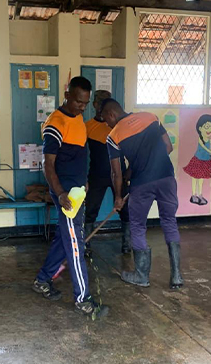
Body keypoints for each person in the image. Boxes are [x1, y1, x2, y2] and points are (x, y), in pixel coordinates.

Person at [31, 76, 109, 318]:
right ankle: (83, 299)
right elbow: (48, 164)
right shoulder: (55, 123)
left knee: (65, 239)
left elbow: (78, 156)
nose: (82, 107)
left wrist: (83, 180)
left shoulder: (78, 120)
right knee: (76, 244)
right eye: (78, 102)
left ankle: (42, 280)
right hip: (65, 194)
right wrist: (60, 193)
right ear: (67, 95)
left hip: (77, 191)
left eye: (85, 103)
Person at [101, 99, 183, 290]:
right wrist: (148, 165)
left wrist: (118, 197)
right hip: (167, 179)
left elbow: (116, 173)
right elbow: (168, 147)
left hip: (142, 185)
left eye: (105, 119)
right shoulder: (150, 117)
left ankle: (141, 275)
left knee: (137, 226)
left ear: (111, 114)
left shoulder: (113, 136)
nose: (106, 124)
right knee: (169, 222)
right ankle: (177, 276)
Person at [84, 90, 130, 256]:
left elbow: (132, 149)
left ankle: (127, 244)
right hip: (96, 175)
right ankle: (86, 244)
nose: (101, 106)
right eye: (99, 102)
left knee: (125, 210)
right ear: (94, 104)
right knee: (90, 210)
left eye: (105, 102)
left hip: (120, 175)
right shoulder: (87, 126)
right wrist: (83, 178)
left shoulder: (118, 126)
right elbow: (80, 154)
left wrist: (129, 172)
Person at [183, 114, 211, 205]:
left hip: (205, 161)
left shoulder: (209, 139)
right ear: (200, 128)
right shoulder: (200, 139)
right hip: (198, 160)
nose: (210, 129)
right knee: (195, 178)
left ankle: (200, 195)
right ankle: (194, 195)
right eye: (207, 127)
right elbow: (205, 148)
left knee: (201, 179)